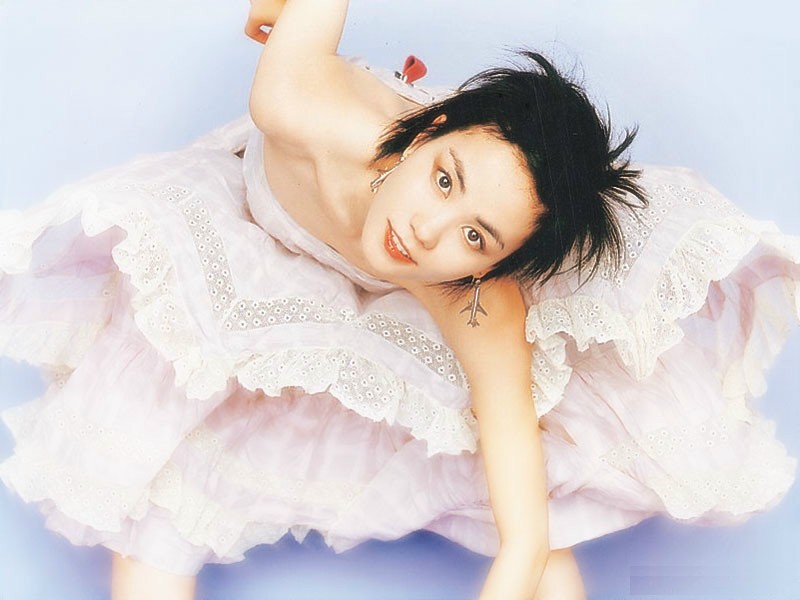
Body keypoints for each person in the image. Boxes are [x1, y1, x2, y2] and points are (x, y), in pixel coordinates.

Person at [0, 1, 798, 599]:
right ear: (427, 132)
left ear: (495, 268)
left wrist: (518, 565)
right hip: (261, 220)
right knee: (164, 468)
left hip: (403, 287)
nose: (425, 229)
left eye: (475, 236)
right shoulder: (298, 106)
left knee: (514, 494)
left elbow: (522, 524)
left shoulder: (478, 304)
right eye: (444, 180)